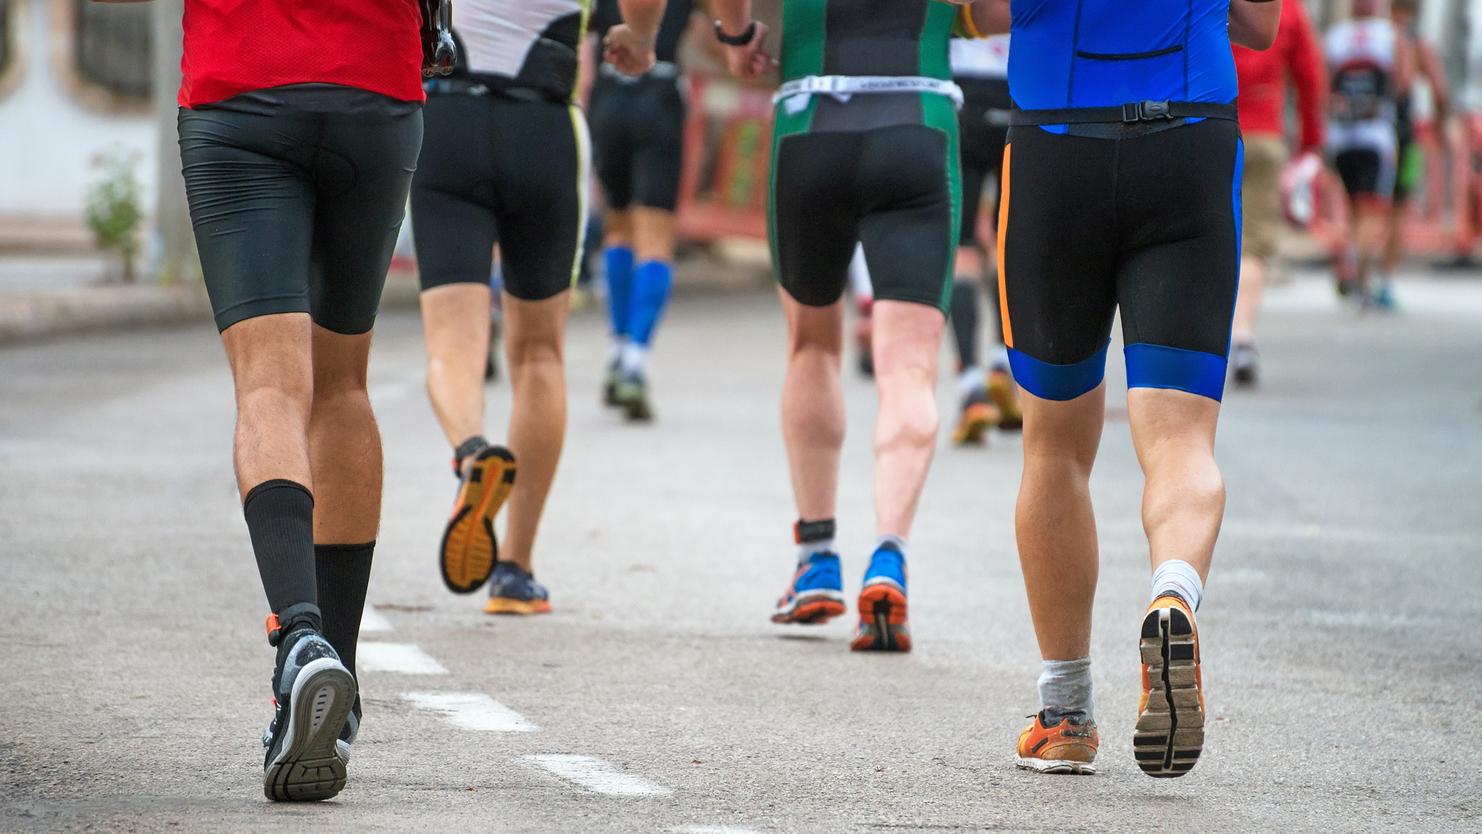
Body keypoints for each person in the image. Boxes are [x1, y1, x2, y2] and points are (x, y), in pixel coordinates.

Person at [118, 0, 427, 801]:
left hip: (242, 84)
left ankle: (300, 641)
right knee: (344, 385)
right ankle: (340, 689)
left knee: (270, 386)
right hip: (375, 88)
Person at [982, 0, 1279, 776]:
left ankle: (1065, 711)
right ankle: (1174, 593)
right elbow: (1261, 24)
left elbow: (981, 12)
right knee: (1180, 435)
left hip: (1054, 141)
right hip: (1188, 139)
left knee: (1054, 446)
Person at [714, 0, 1000, 652]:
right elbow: (1003, 13)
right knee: (909, 365)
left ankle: (816, 559)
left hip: (809, 122)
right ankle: (888, 557)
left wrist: (736, 34)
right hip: (917, 124)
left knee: (811, 345)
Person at [411, 0, 664, 614]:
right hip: (542, 125)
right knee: (539, 356)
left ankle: (472, 452)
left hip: (445, 120)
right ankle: (515, 572)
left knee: (453, 342)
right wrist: (641, 36)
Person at [589, 0, 701, 422]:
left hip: (609, 95)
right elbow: (720, 30)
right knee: (655, 239)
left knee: (617, 229)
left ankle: (617, 350)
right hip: (660, 91)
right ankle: (635, 359)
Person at [1231, 0, 1326, 386]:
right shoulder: (1287, 10)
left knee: (1196, 235)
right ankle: (1242, 337)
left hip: (1205, 127)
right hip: (1264, 134)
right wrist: (1310, 144)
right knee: (1254, 243)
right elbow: (1309, 78)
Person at [949, 32, 1023, 444]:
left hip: (962, 94)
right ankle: (1002, 362)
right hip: (1014, 92)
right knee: (1005, 241)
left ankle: (972, 388)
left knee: (960, 250)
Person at [1326, 0, 1414, 307]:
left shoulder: (1335, 36)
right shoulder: (1391, 34)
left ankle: (1350, 260)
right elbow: (1403, 83)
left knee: (1352, 207)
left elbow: (1327, 85)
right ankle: (1362, 276)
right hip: (1376, 134)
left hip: (1341, 136)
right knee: (1372, 209)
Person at [1384, 0, 1451, 294]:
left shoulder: (1373, 38)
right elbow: (1441, 91)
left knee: (1364, 204)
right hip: (1406, 133)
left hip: (1368, 132)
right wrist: (1439, 127)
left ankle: (1356, 266)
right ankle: (1384, 280)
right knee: (1400, 204)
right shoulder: (1417, 42)